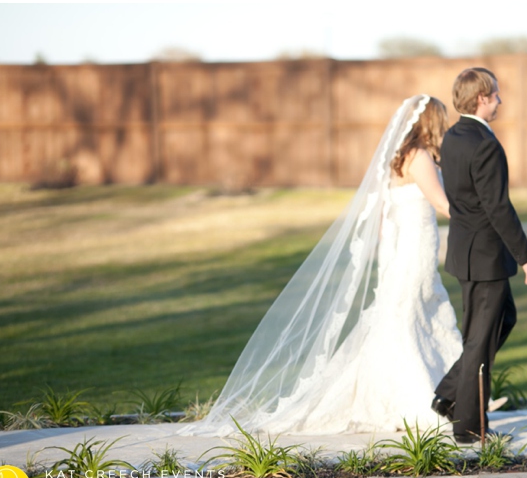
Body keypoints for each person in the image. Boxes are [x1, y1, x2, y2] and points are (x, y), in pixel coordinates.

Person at [179, 95, 463, 436]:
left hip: (405, 243)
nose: (445, 126)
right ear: (430, 121)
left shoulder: (400, 157)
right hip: (416, 242)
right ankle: (415, 397)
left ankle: (419, 391)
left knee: (403, 312)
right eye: (441, 119)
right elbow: (441, 203)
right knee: (408, 314)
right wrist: (479, 215)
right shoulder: (420, 157)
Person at [431, 67, 527, 444]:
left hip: (466, 253)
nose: (499, 100)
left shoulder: (452, 137)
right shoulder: (484, 144)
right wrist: (526, 256)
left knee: (501, 320)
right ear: (481, 98)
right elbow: (498, 207)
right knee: (480, 339)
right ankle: (468, 427)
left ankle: (450, 393)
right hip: (484, 256)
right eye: (495, 95)